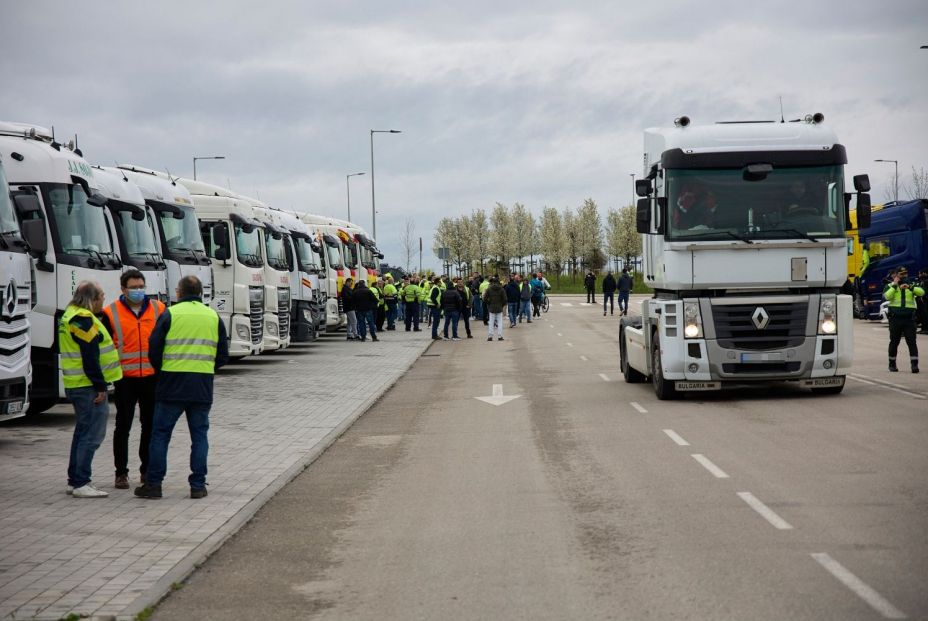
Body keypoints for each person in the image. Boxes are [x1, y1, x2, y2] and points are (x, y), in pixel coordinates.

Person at [135, 276, 227, 499]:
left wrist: (163, 371)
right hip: (202, 386)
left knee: (160, 435)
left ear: (180, 293)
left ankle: (154, 484)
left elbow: (154, 349)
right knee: (199, 436)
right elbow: (222, 355)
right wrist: (205, 367)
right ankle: (198, 486)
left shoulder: (170, 314)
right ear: (200, 292)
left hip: (171, 385)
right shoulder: (213, 316)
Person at [101, 269, 166, 490]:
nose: (138, 291)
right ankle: (121, 473)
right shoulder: (110, 312)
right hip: (124, 379)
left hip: (151, 377)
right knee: (123, 426)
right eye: (134, 287)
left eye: (141, 287)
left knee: (149, 426)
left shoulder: (159, 309)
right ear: (123, 289)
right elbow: (105, 347)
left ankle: (146, 471)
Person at [61, 281, 123, 498]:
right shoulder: (83, 320)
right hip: (87, 386)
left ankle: (74, 480)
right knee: (92, 435)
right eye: (102, 297)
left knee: (82, 432)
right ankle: (81, 482)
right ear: (92, 299)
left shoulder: (70, 314)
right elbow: (90, 357)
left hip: (77, 384)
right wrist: (100, 386)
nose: (103, 301)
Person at [884, 267, 923, 373]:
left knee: (912, 342)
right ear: (896, 275)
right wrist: (895, 285)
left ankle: (914, 365)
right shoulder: (890, 286)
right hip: (895, 319)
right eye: (901, 274)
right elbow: (887, 296)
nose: (904, 276)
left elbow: (922, 292)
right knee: (894, 342)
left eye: (905, 274)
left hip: (909, 319)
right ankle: (892, 364)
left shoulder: (912, 285)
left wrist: (910, 287)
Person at [483, 276, 507, 341]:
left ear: (492, 282)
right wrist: (502, 305)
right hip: (499, 307)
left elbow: (484, 298)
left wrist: (489, 303)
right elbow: (505, 299)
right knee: (500, 322)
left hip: (491, 307)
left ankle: (490, 336)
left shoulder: (489, 289)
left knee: (491, 322)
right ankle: (500, 336)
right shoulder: (501, 289)